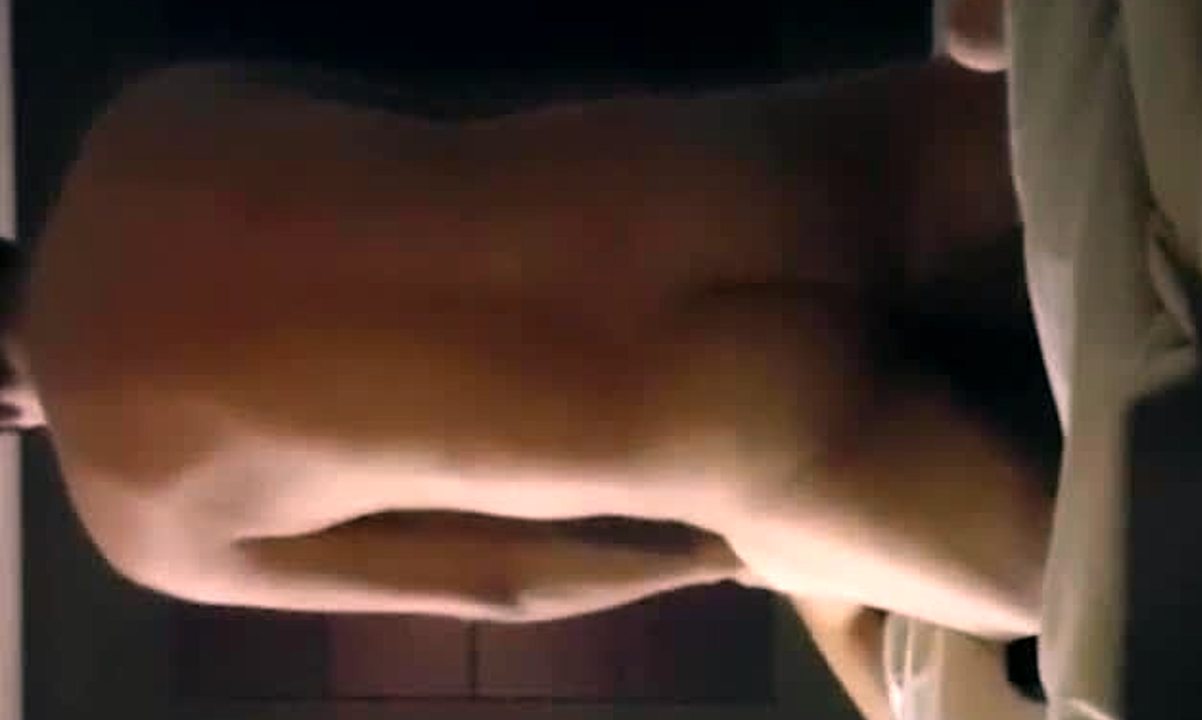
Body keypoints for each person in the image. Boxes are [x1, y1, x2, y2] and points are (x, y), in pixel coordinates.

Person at [4, 4, 1059, 720]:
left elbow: (501, 584)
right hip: (756, 179)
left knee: (1124, 571)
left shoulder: (137, 525)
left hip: (722, 424)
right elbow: (448, 119)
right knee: (1097, 155)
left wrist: (726, 555)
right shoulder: (148, 123)